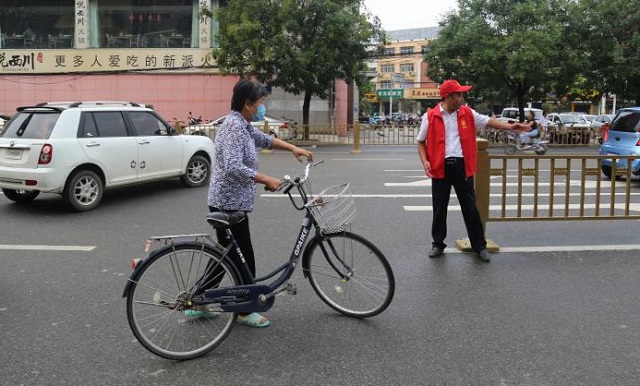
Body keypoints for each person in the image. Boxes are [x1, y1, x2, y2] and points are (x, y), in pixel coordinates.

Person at [206, 79, 313, 327]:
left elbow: (265, 140)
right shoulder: (233, 126)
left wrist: (293, 148)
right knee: (243, 257)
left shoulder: (241, 124)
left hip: (231, 201)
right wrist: (267, 179)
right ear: (248, 104)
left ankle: (197, 302)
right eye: (261, 102)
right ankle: (245, 309)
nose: (262, 107)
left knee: (226, 257)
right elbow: (233, 166)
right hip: (227, 204)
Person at [416, 79, 530, 263]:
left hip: (462, 165)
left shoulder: (467, 113)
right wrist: (425, 161)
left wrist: (511, 127)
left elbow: (489, 122)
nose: (462, 98)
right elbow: (420, 141)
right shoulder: (430, 116)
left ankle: (479, 246)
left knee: (470, 207)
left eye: (462, 94)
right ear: (447, 96)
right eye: (458, 95)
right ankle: (437, 243)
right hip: (440, 166)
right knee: (439, 208)